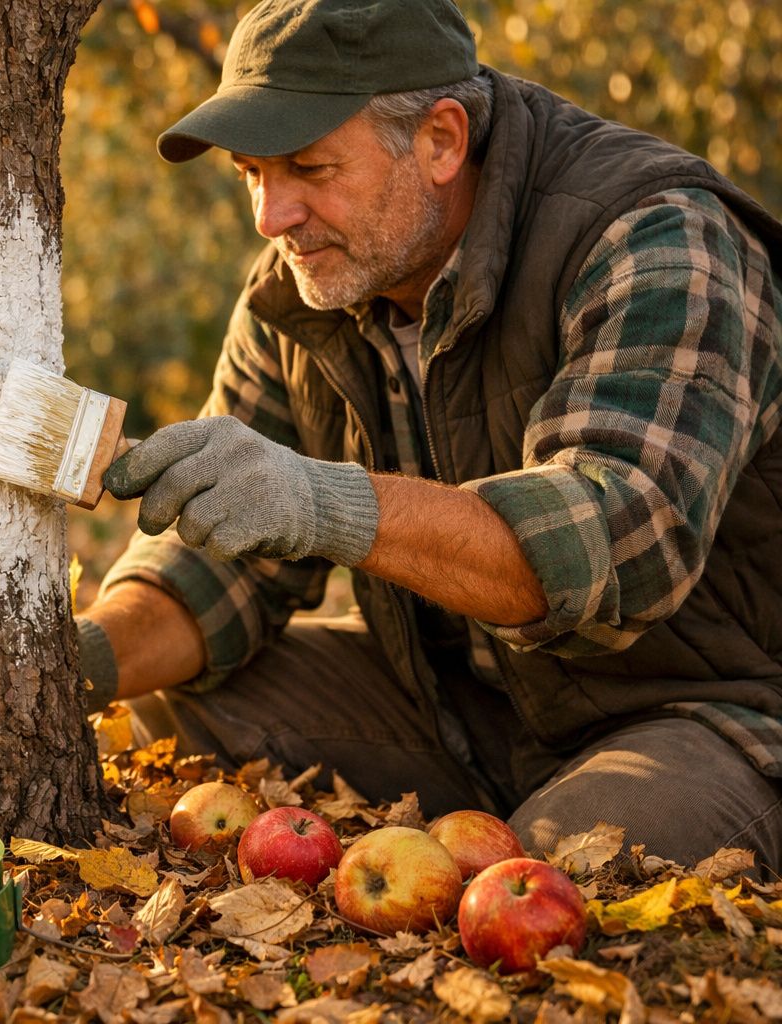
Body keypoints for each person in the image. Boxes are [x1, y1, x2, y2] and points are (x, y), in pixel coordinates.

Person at [76, 0, 782, 870]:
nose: (271, 216)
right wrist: (76, 661)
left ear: (442, 141)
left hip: (707, 710)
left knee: (543, 879)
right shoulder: (299, 288)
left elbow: (612, 546)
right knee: (161, 704)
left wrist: (325, 502)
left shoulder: (655, 234)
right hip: (459, 710)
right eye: (251, 173)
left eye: (308, 166)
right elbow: (223, 572)